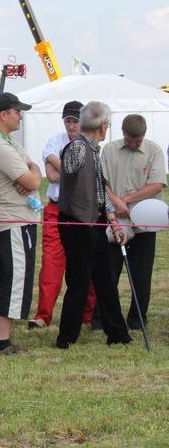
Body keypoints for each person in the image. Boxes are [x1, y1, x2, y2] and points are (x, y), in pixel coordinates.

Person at [55, 101, 132, 348]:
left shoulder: (95, 150)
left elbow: (100, 194)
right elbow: (68, 170)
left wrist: (114, 223)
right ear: (101, 125)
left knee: (105, 279)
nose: (107, 128)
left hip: (94, 221)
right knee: (79, 281)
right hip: (76, 223)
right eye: (107, 124)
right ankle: (66, 338)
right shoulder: (78, 147)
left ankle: (117, 334)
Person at [0, 93, 41, 356]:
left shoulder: (8, 141)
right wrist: (32, 175)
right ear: (3, 115)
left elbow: (32, 167)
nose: (21, 115)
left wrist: (32, 171)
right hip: (11, 220)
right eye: (17, 111)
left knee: (13, 276)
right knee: (13, 279)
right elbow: (34, 181)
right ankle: (2, 341)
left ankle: (2, 337)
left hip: (19, 218)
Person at [29, 101, 96, 329]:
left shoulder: (91, 144)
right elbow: (54, 176)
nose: (71, 125)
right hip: (56, 209)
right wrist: (69, 169)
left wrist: (61, 166)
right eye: (68, 121)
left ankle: (86, 317)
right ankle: (43, 316)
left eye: (75, 121)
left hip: (83, 212)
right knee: (51, 263)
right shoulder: (54, 141)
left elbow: (61, 171)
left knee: (84, 263)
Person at [102, 114, 166, 330]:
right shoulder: (109, 150)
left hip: (144, 222)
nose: (133, 144)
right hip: (115, 221)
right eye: (130, 140)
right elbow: (102, 183)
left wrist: (126, 201)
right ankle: (103, 317)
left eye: (137, 141)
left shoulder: (154, 150)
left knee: (141, 274)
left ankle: (137, 317)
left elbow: (157, 185)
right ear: (123, 134)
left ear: (144, 136)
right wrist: (116, 204)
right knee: (109, 271)